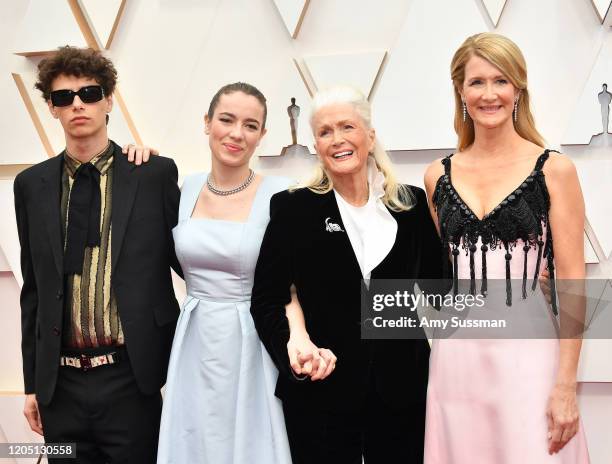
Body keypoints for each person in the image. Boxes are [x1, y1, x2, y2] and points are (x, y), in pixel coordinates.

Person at [251, 86, 447, 463]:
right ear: (316, 144)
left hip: (402, 391)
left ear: (370, 136)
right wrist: (294, 351)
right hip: (321, 392)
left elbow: (441, 290)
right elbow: (266, 299)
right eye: (325, 132)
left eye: (347, 127)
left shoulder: (410, 204)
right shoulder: (294, 208)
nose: (337, 140)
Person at [423, 33, 590, 463]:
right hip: (456, 359)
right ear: (460, 90)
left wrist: (566, 385)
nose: (489, 94)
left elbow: (573, 283)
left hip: (529, 355)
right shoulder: (435, 177)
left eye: (501, 81)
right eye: (477, 82)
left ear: (518, 89)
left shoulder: (554, 170)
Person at [13, 46, 181, 463]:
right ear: (52, 109)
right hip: (60, 386)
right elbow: (33, 289)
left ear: (108, 99)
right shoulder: (31, 185)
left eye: (89, 93)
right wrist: (33, 383)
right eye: (63, 98)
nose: (77, 105)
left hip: (130, 377)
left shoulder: (153, 175)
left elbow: (192, 262)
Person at [124, 82, 305, 463]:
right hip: (194, 338)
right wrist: (138, 159)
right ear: (207, 123)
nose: (237, 133)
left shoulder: (282, 193)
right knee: (195, 437)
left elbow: (291, 284)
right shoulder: (184, 187)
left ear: (262, 136)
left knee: (250, 439)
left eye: (250, 125)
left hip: (253, 337)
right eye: (226, 119)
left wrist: (298, 337)